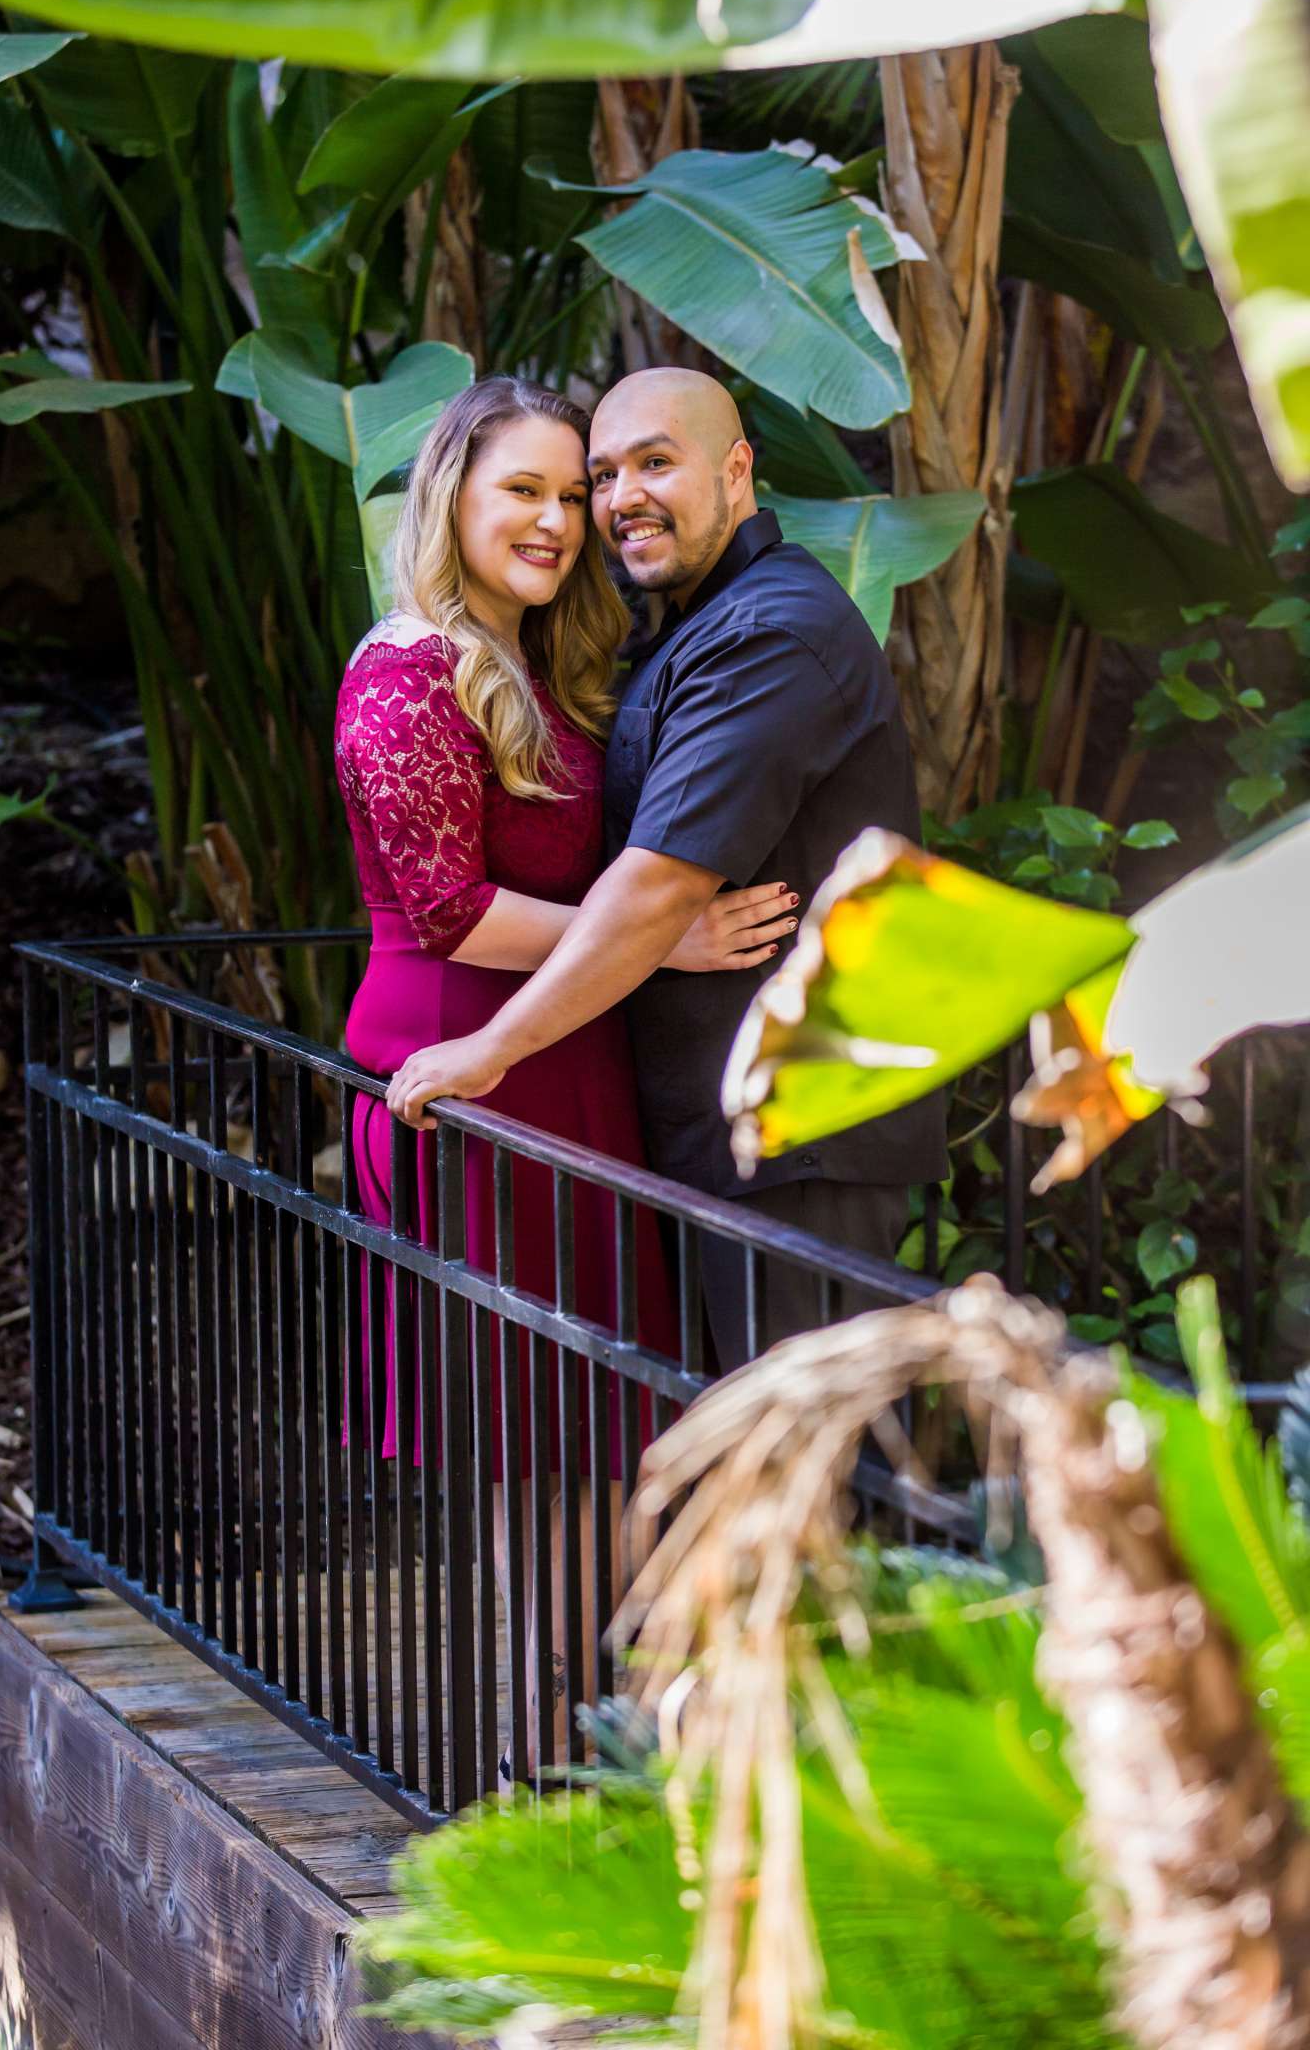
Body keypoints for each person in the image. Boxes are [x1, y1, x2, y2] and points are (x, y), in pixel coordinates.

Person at [335, 373, 798, 1737]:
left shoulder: (543, 665)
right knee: (535, 1446)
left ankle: (598, 1740)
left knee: (593, 1434)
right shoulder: (410, 666)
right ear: (453, 501)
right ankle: (561, 1746)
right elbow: (449, 907)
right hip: (468, 1071)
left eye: (568, 493)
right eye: (520, 491)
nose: (555, 520)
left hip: (564, 1067)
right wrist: (664, 940)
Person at [387, 367, 947, 1370]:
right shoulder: (687, 628)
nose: (616, 500)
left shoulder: (770, 631)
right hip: (720, 1132)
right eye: (599, 477)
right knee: (740, 1467)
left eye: (655, 463)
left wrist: (491, 1047)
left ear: (737, 470)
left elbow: (657, 886)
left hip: (792, 1140)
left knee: (807, 1476)